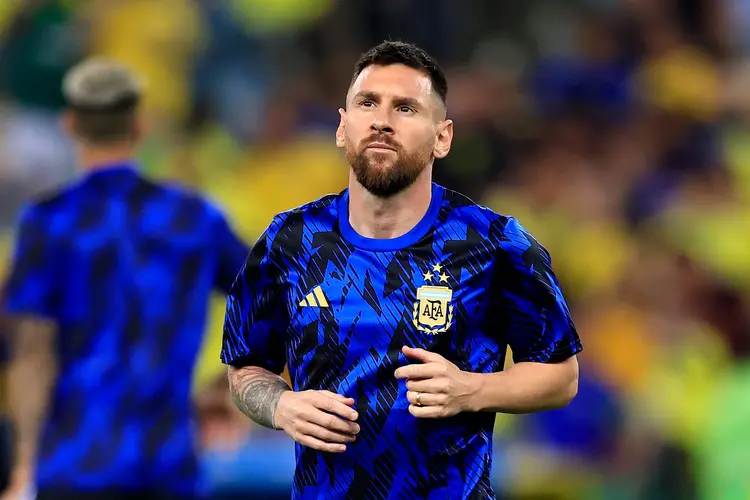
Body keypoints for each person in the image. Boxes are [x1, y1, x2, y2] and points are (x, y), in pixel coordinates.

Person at [222, 41, 582, 499]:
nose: (381, 120)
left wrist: (472, 390)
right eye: (367, 103)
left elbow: (561, 376)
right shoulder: (289, 240)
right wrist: (281, 405)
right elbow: (246, 368)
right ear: (341, 126)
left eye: (406, 108)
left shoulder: (494, 244)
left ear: (443, 137)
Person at [1, 58, 248, 500]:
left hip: (74, 465)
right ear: (139, 125)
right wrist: (228, 386)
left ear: (71, 124)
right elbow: (276, 302)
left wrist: (23, 469)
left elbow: (32, 354)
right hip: (167, 463)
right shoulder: (193, 219)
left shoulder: (48, 223)